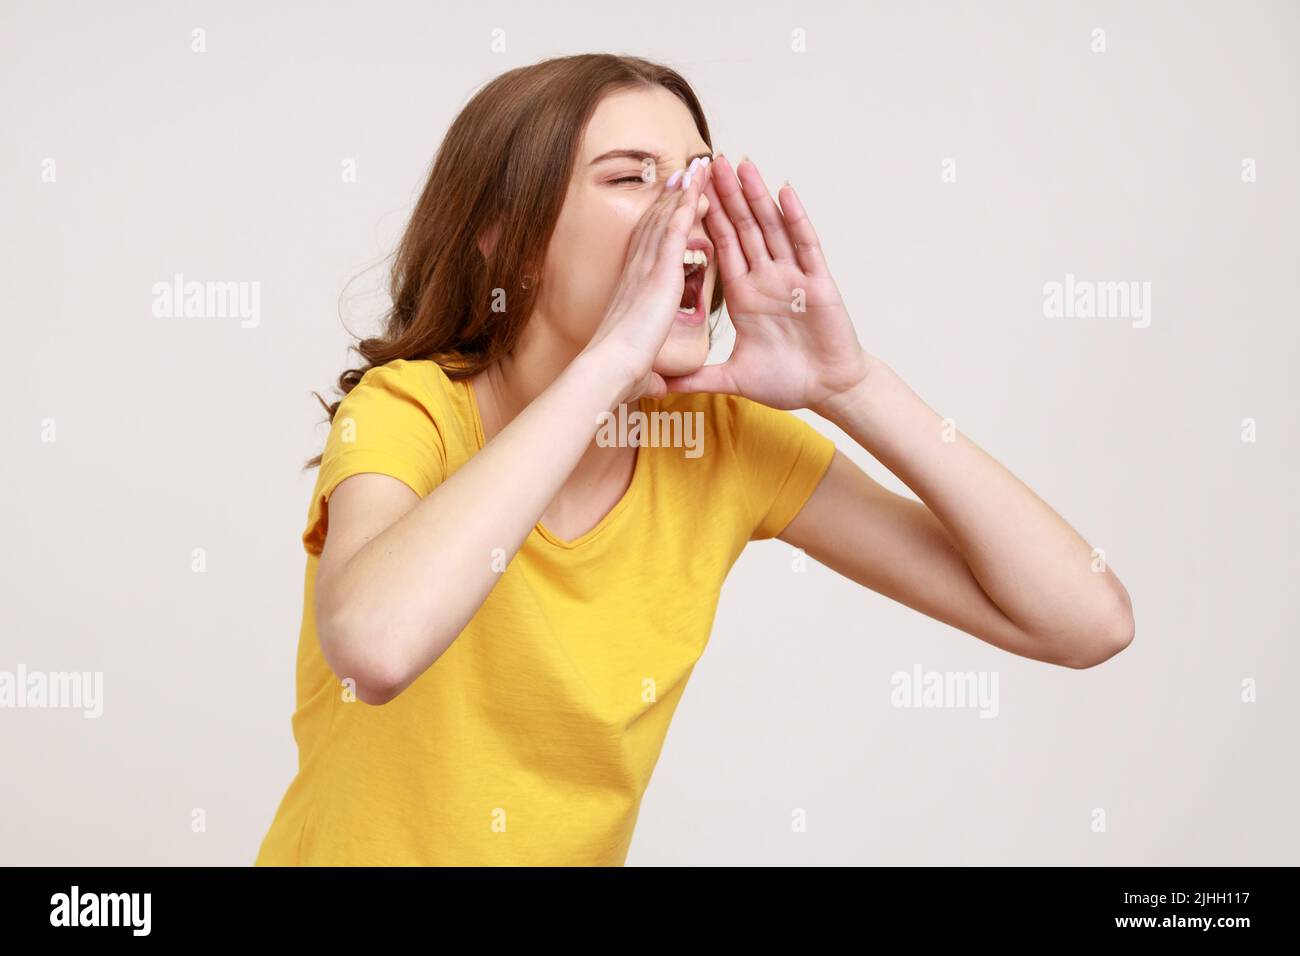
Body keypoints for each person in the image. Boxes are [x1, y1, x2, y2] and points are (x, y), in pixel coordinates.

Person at [254, 53, 1134, 867]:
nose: (689, 210)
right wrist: (608, 364)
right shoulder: (410, 409)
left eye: (698, 178)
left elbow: (1085, 622)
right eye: (633, 177)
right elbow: (373, 648)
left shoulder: (722, 443)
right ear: (507, 237)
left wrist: (850, 384)